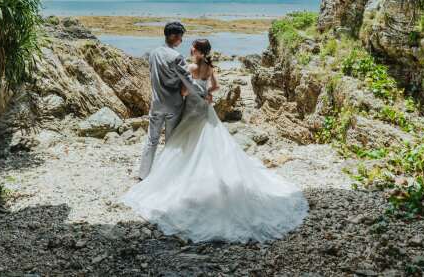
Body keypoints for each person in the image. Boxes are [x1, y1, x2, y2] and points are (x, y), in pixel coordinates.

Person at [122, 38, 309, 244]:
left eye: (193, 47)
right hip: (205, 109)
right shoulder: (210, 67)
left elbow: (185, 89)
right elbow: (216, 87)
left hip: (191, 108)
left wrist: (184, 94)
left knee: (184, 144)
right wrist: (207, 94)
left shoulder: (191, 66)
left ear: (197, 51)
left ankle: (176, 177)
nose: (190, 48)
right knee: (211, 143)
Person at [135, 21, 204, 181]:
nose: (181, 41)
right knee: (171, 142)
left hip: (156, 103)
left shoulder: (153, 53)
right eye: (181, 37)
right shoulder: (176, 57)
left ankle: (143, 175)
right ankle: (166, 177)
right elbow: (188, 81)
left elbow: (153, 76)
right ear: (173, 36)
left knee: (151, 141)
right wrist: (202, 93)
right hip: (173, 105)